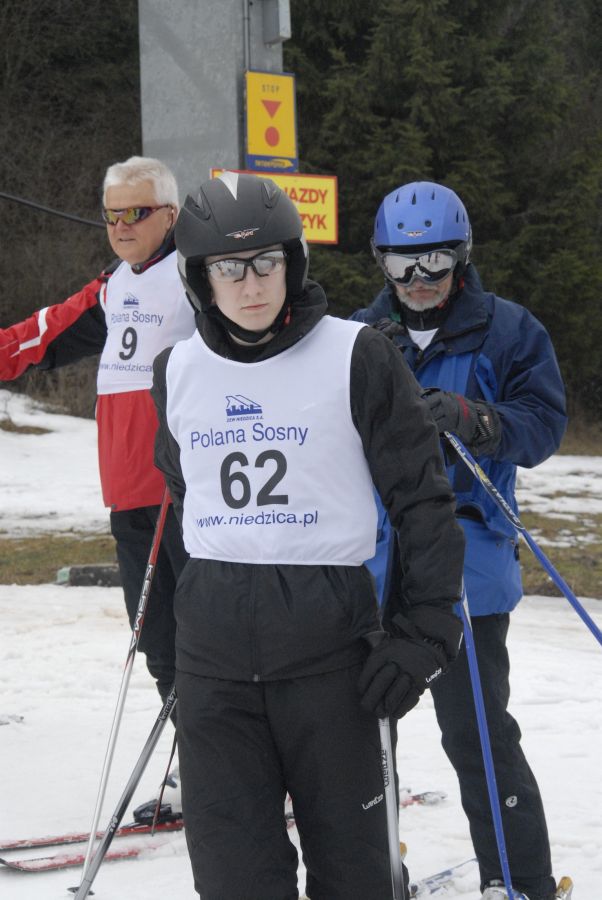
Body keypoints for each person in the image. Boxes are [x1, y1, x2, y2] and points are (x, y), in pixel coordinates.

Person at [149, 171, 465, 900]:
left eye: (268, 262)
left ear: (294, 262)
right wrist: (170, 654)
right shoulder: (177, 372)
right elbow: (183, 514)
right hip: (216, 672)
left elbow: (421, 502)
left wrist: (423, 633)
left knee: (357, 880)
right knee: (235, 882)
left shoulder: (357, 355)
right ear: (201, 278)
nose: (251, 284)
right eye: (229, 268)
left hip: (332, 667)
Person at [351, 181, 567, 900]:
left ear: (463, 257)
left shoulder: (508, 330)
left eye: (436, 262)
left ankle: (518, 881)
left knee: (476, 733)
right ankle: (373, 876)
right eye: (403, 264)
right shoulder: (357, 337)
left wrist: (474, 418)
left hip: (469, 561)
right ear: (380, 261)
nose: (419, 282)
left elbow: (542, 424)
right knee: (362, 735)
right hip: (377, 564)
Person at [0, 156, 194, 710]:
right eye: (111, 216)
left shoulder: (197, 274)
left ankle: (250, 776)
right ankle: (198, 769)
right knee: (159, 647)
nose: (121, 227)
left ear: (171, 214)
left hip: (184, 497)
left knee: (212, 643)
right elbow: (39, 336)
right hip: (129, 496)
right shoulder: (112, 288)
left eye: (136, 212)